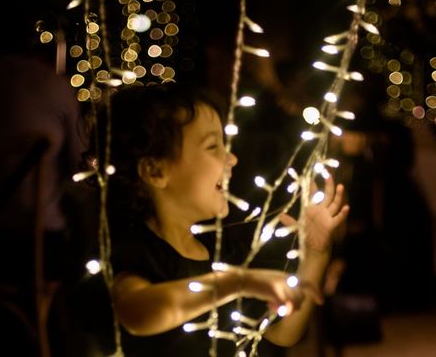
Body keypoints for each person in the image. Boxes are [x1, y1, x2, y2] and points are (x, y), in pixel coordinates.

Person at [92, 82, 349, 356]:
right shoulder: (133, 250)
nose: (232, 159)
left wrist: (316, 254)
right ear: (155, 171)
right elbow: (139, 313)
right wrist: (238, 282)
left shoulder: (223, 252)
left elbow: (283, 334)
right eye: (213, 146)